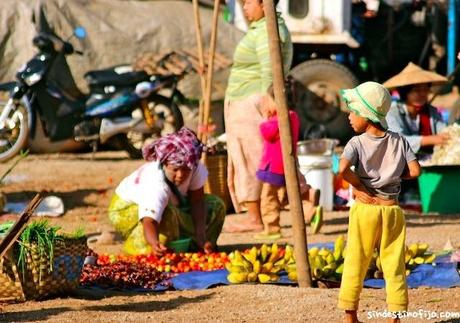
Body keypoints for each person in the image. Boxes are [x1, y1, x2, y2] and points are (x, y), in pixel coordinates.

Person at [337, 81, 421, 323]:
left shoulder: (356, 143)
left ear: (366, 114)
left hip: (366, 210)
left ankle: (350, 316)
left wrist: (359, 186)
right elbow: (415, 172)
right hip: (391, 210)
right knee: (394, 265)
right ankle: (394, 318)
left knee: (356, 259)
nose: (350, 117)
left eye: (353, 112)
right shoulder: (400, 141)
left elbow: (342, 169)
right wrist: (397, 175)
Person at [224, 0, 293, 232]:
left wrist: (267, 95)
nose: (244, 7)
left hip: (251, 101)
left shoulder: (267, 30)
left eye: (248, 2)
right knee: (265, 156)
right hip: (250, 97)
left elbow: (270, 66)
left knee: (250, 158)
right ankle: (305, 200)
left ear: (265, 4)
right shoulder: (265, 27)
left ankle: (254, 217)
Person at [108, 127, 225, 256]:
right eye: (175, 169)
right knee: (167, 215)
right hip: (125, 209)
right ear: (165, 164)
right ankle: (141, 248)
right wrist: (153, 243)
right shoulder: (155, 184)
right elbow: (149, 220)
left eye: (186, 170)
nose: (180, 175)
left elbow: (197, 200)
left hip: (171, 204)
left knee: (216, 205)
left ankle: (198, 245)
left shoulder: (194, 167)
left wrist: (201, 235)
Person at [254, 80, 323, 240]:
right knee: (289, 195)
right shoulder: (293, 116)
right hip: (288, 163)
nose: (264, 105)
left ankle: (272, 229)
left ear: (278, 101)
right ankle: (310, 207)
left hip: (274, 165)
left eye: (267, 101)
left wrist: (265, 118)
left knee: (269, 198)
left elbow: (267, 133)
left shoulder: (277, 119)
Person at [384, 62, 450, 159]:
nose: (423, 94)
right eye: (416, 90)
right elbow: (396, 140)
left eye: (425, 89)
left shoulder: (431, 111)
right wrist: (428, 140)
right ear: (405, 92)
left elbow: (443, 130)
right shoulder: (392, 112)